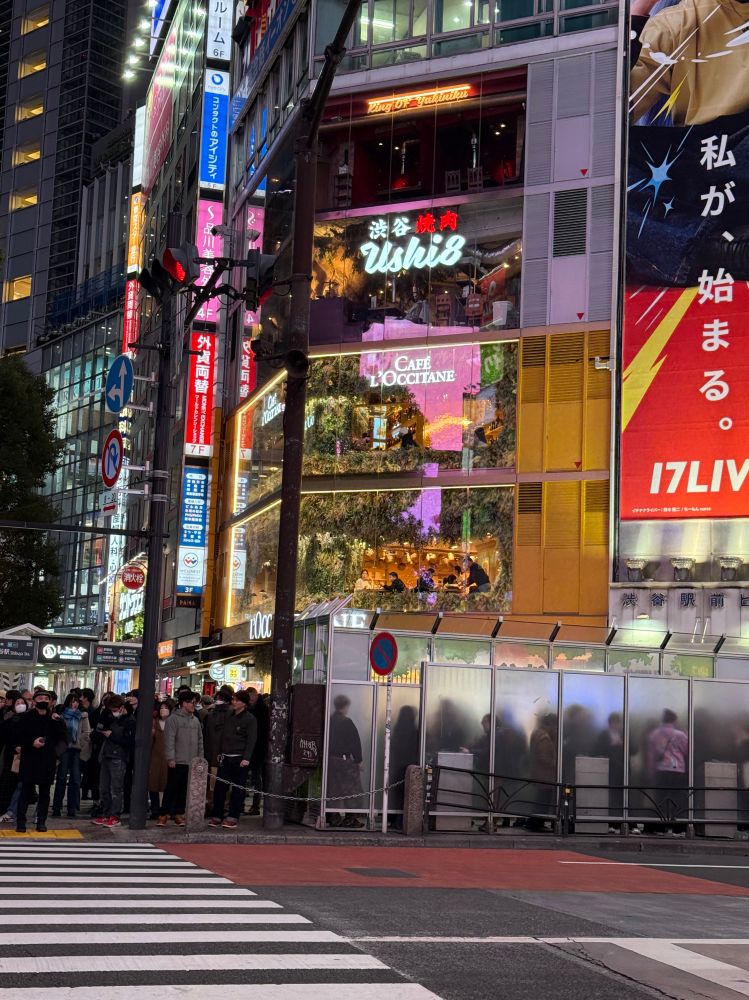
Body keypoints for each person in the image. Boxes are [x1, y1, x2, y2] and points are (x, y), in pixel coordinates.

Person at [16, 690, 68, 833]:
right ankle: (21, 822)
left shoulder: (55, 718)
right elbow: (18, 737)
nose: (43, 700)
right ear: (34, 701)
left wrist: (56, 754)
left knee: (45, 793)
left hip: (47, 760)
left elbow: (63, 738)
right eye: (40, 698)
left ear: (50, 701)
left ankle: (41, 822)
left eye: (46, 698)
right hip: (29, 759)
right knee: (25, 791)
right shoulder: (26, 717)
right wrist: (31, 743)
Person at [209, 690, 257, 829]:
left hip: (239, 758)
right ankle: (217, 815)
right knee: (220, 788)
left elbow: (251, 740)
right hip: (225, 756)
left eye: (237, 700)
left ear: (244, 703)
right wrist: (219, 752)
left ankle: (233, 816)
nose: (234, 702)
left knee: (237, 789)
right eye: (234, 700)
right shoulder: (229, 716)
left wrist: (246, 758)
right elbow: (222, 736)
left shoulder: (250, 719)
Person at [159, 689, 204, 826]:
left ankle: (179, 813)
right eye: (192, 702)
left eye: (195, 702)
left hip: (192, 761)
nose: (194, 705)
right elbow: (169, 740)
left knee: (185, 789)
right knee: (171, 788)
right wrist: (170, 758)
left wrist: (200, 759)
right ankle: (163, 814)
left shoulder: (195, 720)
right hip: (177, 760)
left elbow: (200, 740)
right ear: (184, 703)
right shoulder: (173, 719)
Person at [93, 694, 135, 828]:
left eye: (115, 710)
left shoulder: (130, 721)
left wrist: (112, 735)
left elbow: (129, 742)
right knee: (104, 787)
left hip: (118, 757)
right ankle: (106, 814)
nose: (113, 712)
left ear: (122, 707)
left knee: (115, 788)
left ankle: (115, 816)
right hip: (106, 754)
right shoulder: (111, 717)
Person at [647, 709, 689, 834]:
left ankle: (660, 827)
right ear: (674, 720)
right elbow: (687, 751)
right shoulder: (680, 735)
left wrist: (651, 771)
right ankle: (677, 828)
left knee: (660, 799)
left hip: (661, 770)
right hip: (677, 770)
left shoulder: (655, 734)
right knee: (676, 798)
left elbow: (652, 755)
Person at [326, 694, 364, 828]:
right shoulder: (346, 722)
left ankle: (333, 817)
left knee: (333, 789)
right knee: (352, 790)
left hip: (330, 760)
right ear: (346, 707)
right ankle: (350, 819)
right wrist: (359, 760)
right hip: (344, 761)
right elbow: (355, 742)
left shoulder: (329, 720)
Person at [51, 693, 91, 818]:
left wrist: (79, 743)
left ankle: (72, 807)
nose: (75, 704)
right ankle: (57, 807)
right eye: (73, 701)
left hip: (76, 749)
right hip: (64, 749)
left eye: (77, 702)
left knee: (75, 778)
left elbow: (86, 732)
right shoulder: (62, 716)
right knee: (61, 777)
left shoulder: (82, 716)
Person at [203, 684, 234, 811]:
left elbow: (206, 735)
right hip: (224, 754)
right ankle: (222, 806)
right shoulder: (231, 713)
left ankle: (212, 805)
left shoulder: (211, 714)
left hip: (214, 753)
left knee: (213, 782)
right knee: (223, 782)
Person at [0, 694, 28, 822]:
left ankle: (15, 811)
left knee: (22, 785)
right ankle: (8, 809)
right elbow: (4, 737)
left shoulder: (30, 720)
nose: (20, 705)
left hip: (26, 756)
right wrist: (14, 746)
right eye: (18, 703)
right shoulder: (9, 721)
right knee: (10, 783)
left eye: (22, 703)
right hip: (11, 756)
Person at [149, 700, 173, 819]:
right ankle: (155, 810)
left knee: (167, 784)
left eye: (166, 707)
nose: (163, 710)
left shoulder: (173, 723)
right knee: (153, 784)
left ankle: (166, 810)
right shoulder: (154, 723)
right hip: (155, 757)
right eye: (162, 707)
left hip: (169, 758)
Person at [247, 687, 268, 816]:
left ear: (255, 695)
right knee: (255, 777)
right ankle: (253, 805)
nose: (250, 699)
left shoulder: (262, 710)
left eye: (251, 696)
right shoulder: (255, 709)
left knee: (257, 777)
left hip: (259, 748)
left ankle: (255, 805)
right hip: (254, 747)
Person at [80, 689, 100, 803]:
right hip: (83, 742)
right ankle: (85, 792)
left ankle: (86, 792)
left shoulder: (92, 712)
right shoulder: (84, 710)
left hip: (89, 743)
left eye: (81, 696)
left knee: (88, 769)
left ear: (85, 698)